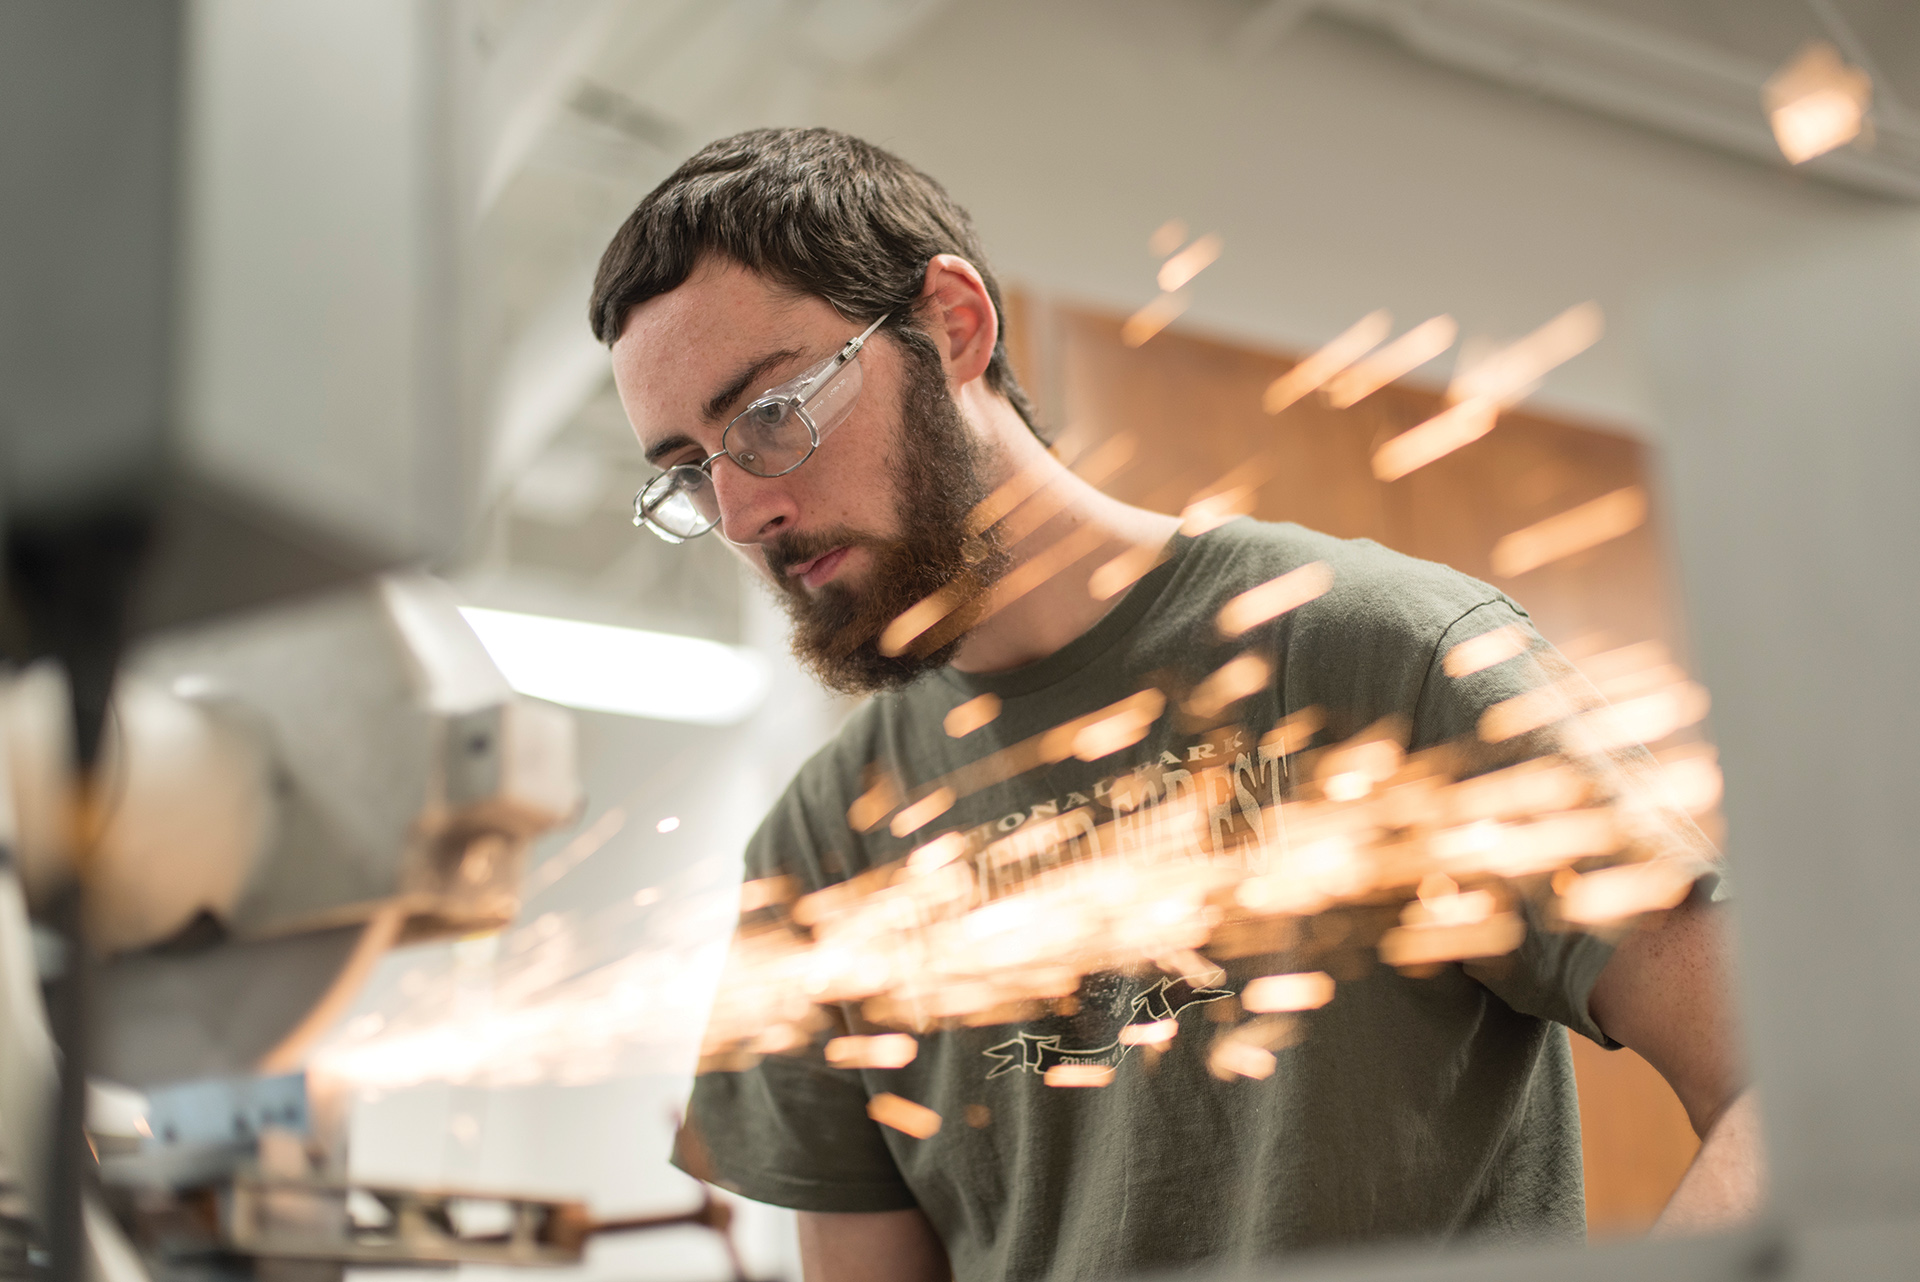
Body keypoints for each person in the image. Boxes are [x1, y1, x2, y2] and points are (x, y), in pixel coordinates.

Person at [588, 127, 1761, 1281]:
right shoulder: (821, 847)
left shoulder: (1381, 659)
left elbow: (1794, 1085)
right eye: (689, 470)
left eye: (769, 415)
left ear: (952, 325)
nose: (741, 513)